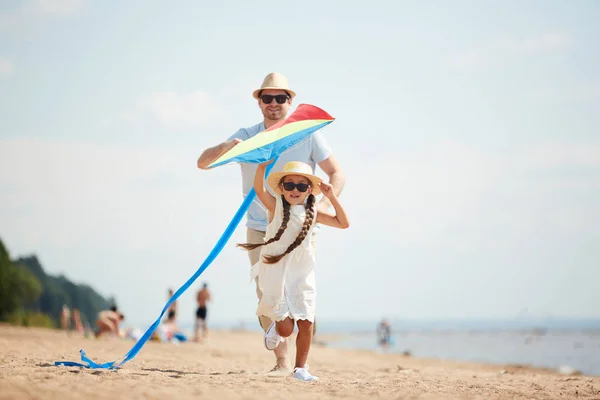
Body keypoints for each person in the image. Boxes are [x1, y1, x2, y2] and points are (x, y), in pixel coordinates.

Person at [197, 72, 346, 375]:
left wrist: (319, 206)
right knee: (267, 295)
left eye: (281, 98)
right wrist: (227, 148)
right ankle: (281, 361)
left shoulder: (307, 133)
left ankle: (300, 365)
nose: (274, 103)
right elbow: (203, 162)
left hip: (301, 230)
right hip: (259, 225)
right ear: (259, 102)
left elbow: (337, 174)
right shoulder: (249, 136)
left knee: (301, 292)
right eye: (268, 98)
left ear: (290, 101)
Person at [237, 160, 349, 381]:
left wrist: (332, 196)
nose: (295, 190)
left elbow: (343, 223)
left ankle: (300, 369)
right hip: (278, 275)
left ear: (309, 190)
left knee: (306, 322)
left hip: (302, 275)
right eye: (289, 186)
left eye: (301, 186)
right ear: (281, 189)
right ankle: (274, 330)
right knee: (287, 330)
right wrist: (262, 167)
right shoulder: (275, 206)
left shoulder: (313, 212)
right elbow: (258, 189)